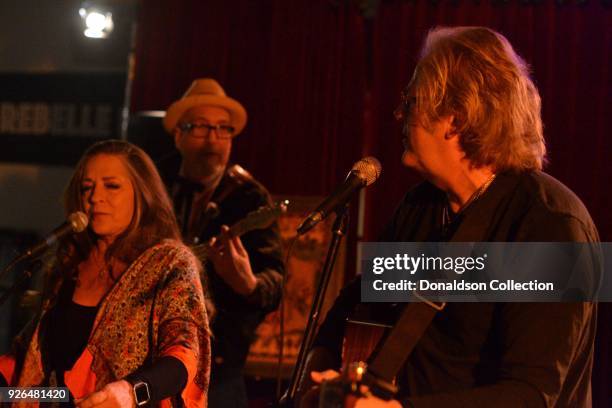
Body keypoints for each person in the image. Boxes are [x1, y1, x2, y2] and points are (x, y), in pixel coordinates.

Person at [298, 27, 598, 407]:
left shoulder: (548, 224)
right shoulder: (421, 207)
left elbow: (530, 394)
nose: (398, 114)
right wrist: (322, 370)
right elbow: (355, 304)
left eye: (411, 101)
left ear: (456, 118)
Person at [0, 140, 210, 407]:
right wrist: (5, 391)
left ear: (142, 194)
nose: (95, 197)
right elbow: (33, 367)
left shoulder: (170, 263)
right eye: (87, 187)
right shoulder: (69, 266)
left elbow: (186, 354)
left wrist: (130, 392)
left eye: (111, 186)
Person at [163, 78, 285, 407]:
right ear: (179, 134)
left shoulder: (249, 196)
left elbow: (275, 281)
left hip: (219, 367)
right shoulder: (155, 186)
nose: (214, 139)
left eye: (223, 129)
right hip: (153, 360)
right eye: (201, 128)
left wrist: (248, 284)